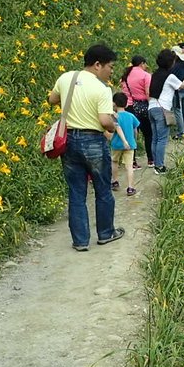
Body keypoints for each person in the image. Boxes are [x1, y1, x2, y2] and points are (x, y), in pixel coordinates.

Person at [48, 43, 124, 251]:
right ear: (97, 65)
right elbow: (104, 121)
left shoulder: (67, 78)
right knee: (102, 189)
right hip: (93, 142)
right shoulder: (102, 89)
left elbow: (52, 99)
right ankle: (106, 233)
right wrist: (113, 123)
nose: (111, 71)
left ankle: (80, 241)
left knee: (76, 192)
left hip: (69, 141)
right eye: (110, 66)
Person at [148, 48, 184, 173]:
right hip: (162, 109)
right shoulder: (170, 76)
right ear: (170, 62)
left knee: (155, 138)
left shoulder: (155, 74)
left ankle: (156, 164)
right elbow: (182, 86)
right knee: (162, 139)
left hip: (151, 108)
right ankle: (160, 166)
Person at [119, 55, 153, 168]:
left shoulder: (125, 76)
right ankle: (150, 159)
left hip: (129, 107)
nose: (146, 66)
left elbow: (123, 91)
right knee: (148, 133)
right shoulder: (146, 75)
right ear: (142, 63)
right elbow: (148, 94)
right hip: (143, 106)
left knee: (131, 134)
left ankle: (132, 162)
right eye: (145, 64)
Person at [109, 93, 139, 196]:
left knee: (114, 161)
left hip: (116, 144)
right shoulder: (131, 116)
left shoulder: (114, 116)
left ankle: (115, 182)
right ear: (126, 104)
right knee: (129, 166)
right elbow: (135, 130)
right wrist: (134, 140)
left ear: (114, 104)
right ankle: (130, 187)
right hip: (130, 144)